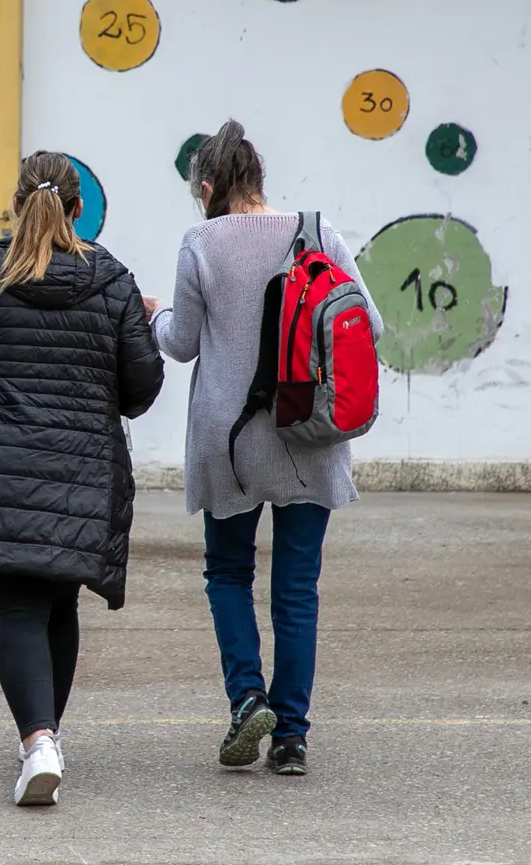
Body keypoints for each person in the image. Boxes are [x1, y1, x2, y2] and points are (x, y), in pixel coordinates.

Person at [0, 151, 164, 807]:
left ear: (16, 206)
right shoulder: (111, 282)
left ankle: (38, 740)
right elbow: (140, 391)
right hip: (83, 469)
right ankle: (45, 738)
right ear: (78, 210)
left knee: (15, 609)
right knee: (59, 605)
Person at [146, 121, 381, 779]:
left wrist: (153, 313)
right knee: (297, 588)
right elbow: (372, 323)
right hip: (308, 430)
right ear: (260, 179)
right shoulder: (317, 230)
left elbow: (183, 342)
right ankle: (293, 739)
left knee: (228, 574)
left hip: (231, 438)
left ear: (212, 186)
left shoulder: (201, 243)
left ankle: (247, 697)